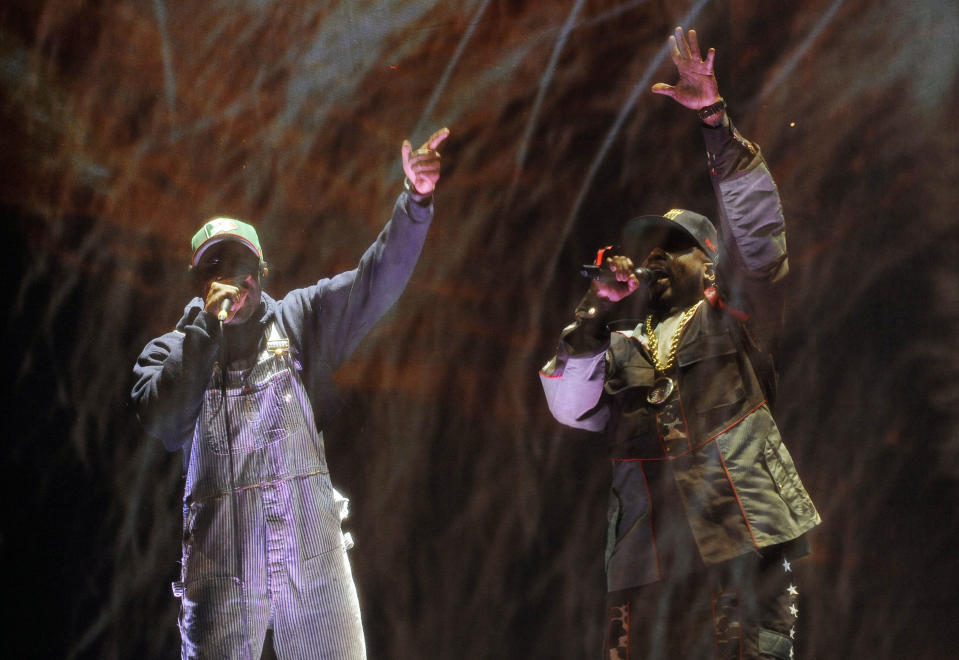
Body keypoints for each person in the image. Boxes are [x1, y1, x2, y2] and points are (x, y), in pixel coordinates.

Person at [539, 28, 820, 659]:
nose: (655, 260)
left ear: (712, 265)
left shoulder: (736, 313)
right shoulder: (620, 342)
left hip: (739, 547)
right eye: (647, 253)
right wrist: (594, 313)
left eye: (675, 249)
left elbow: (757, 233)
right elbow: (567, 405)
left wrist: (716, 124)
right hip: (647, 564)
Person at [132, 127, 449, 659]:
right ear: (197, 280)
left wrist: (415, 202)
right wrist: (206, 331)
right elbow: (163, 423)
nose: (233, 278)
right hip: (218, 561)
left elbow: (377, 279)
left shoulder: (301, 319)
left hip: (309, 545)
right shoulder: (170, 351)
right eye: (216, 265)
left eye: (242, 265)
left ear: (262, 270)